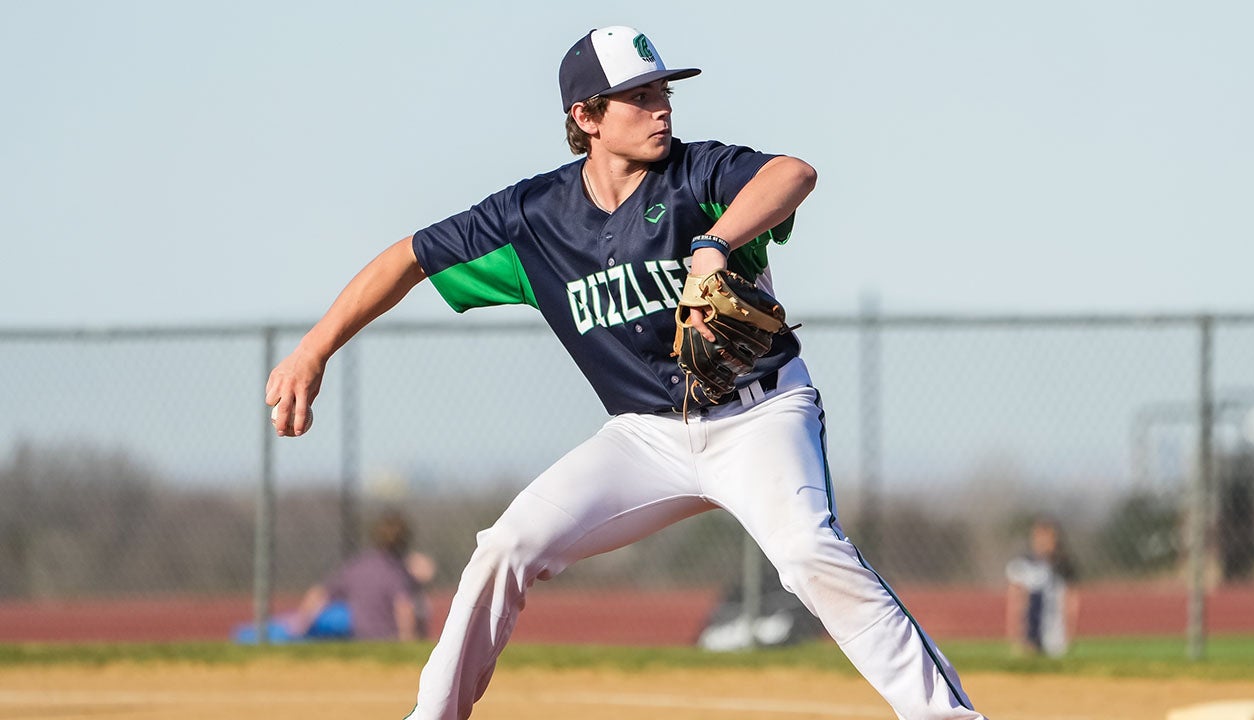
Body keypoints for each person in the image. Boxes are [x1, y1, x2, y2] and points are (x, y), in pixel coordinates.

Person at [265, 25, 986, 719]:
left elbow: (792, 174)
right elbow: (409, 259)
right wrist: (313, 349)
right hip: (645, 437)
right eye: (639, 96)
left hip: (760, 416)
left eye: (662, 90)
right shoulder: (533, 217)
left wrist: (714, 242)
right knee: (504, 547)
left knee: (806, 553)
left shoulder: (698, 173)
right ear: (586, 116)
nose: (661, 105)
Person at [288, 511, 434, 642]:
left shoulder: (357, 565)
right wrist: (407, 639)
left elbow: (319, 593)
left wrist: (301, 625)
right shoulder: (396, 572)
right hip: (389, 639)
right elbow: (403, 607)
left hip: (361, 637)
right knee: (422, 604)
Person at [1005, 516, 1079, 658]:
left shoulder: (1062, 566)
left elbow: (1070, 599)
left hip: (1055, 632)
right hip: (1031, 629)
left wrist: (1070, 631)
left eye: (1047, 537)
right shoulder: (1024, 564)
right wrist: (1015, 634)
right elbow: (1016, 600)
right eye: (1039, 537)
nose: (1042, 542)